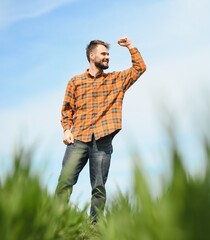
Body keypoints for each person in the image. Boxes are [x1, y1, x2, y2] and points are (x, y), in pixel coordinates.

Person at [55, 36, 146, 222]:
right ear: (91, 55)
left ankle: (95, 228)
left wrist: (130, 46)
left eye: (108, 54)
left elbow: (140, 68)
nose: (107, 57)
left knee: (98, 187)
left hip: (103, 140)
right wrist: (66, 130)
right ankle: (56, 221)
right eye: (103, 54)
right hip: (78, 138)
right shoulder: (75, 82)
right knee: (65, 182)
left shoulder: (116, 80)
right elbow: (67, 109)